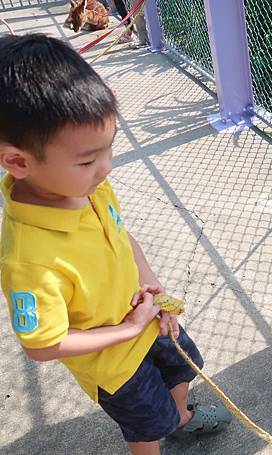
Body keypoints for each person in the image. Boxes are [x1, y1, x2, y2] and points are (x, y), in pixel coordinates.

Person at [0, 34, 231, 455]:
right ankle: (164, 429)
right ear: (19, 161)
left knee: (182, 367)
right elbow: (43, 345)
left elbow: (124, 240)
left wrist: (155, 292)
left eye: (109, 148)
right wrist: (127, 328)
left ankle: (180, 419)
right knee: (144, 426)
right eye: (88, 160)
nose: (105, 168)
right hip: (114, 364)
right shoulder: (28, 259)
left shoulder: (90, 189)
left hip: (149, 320)